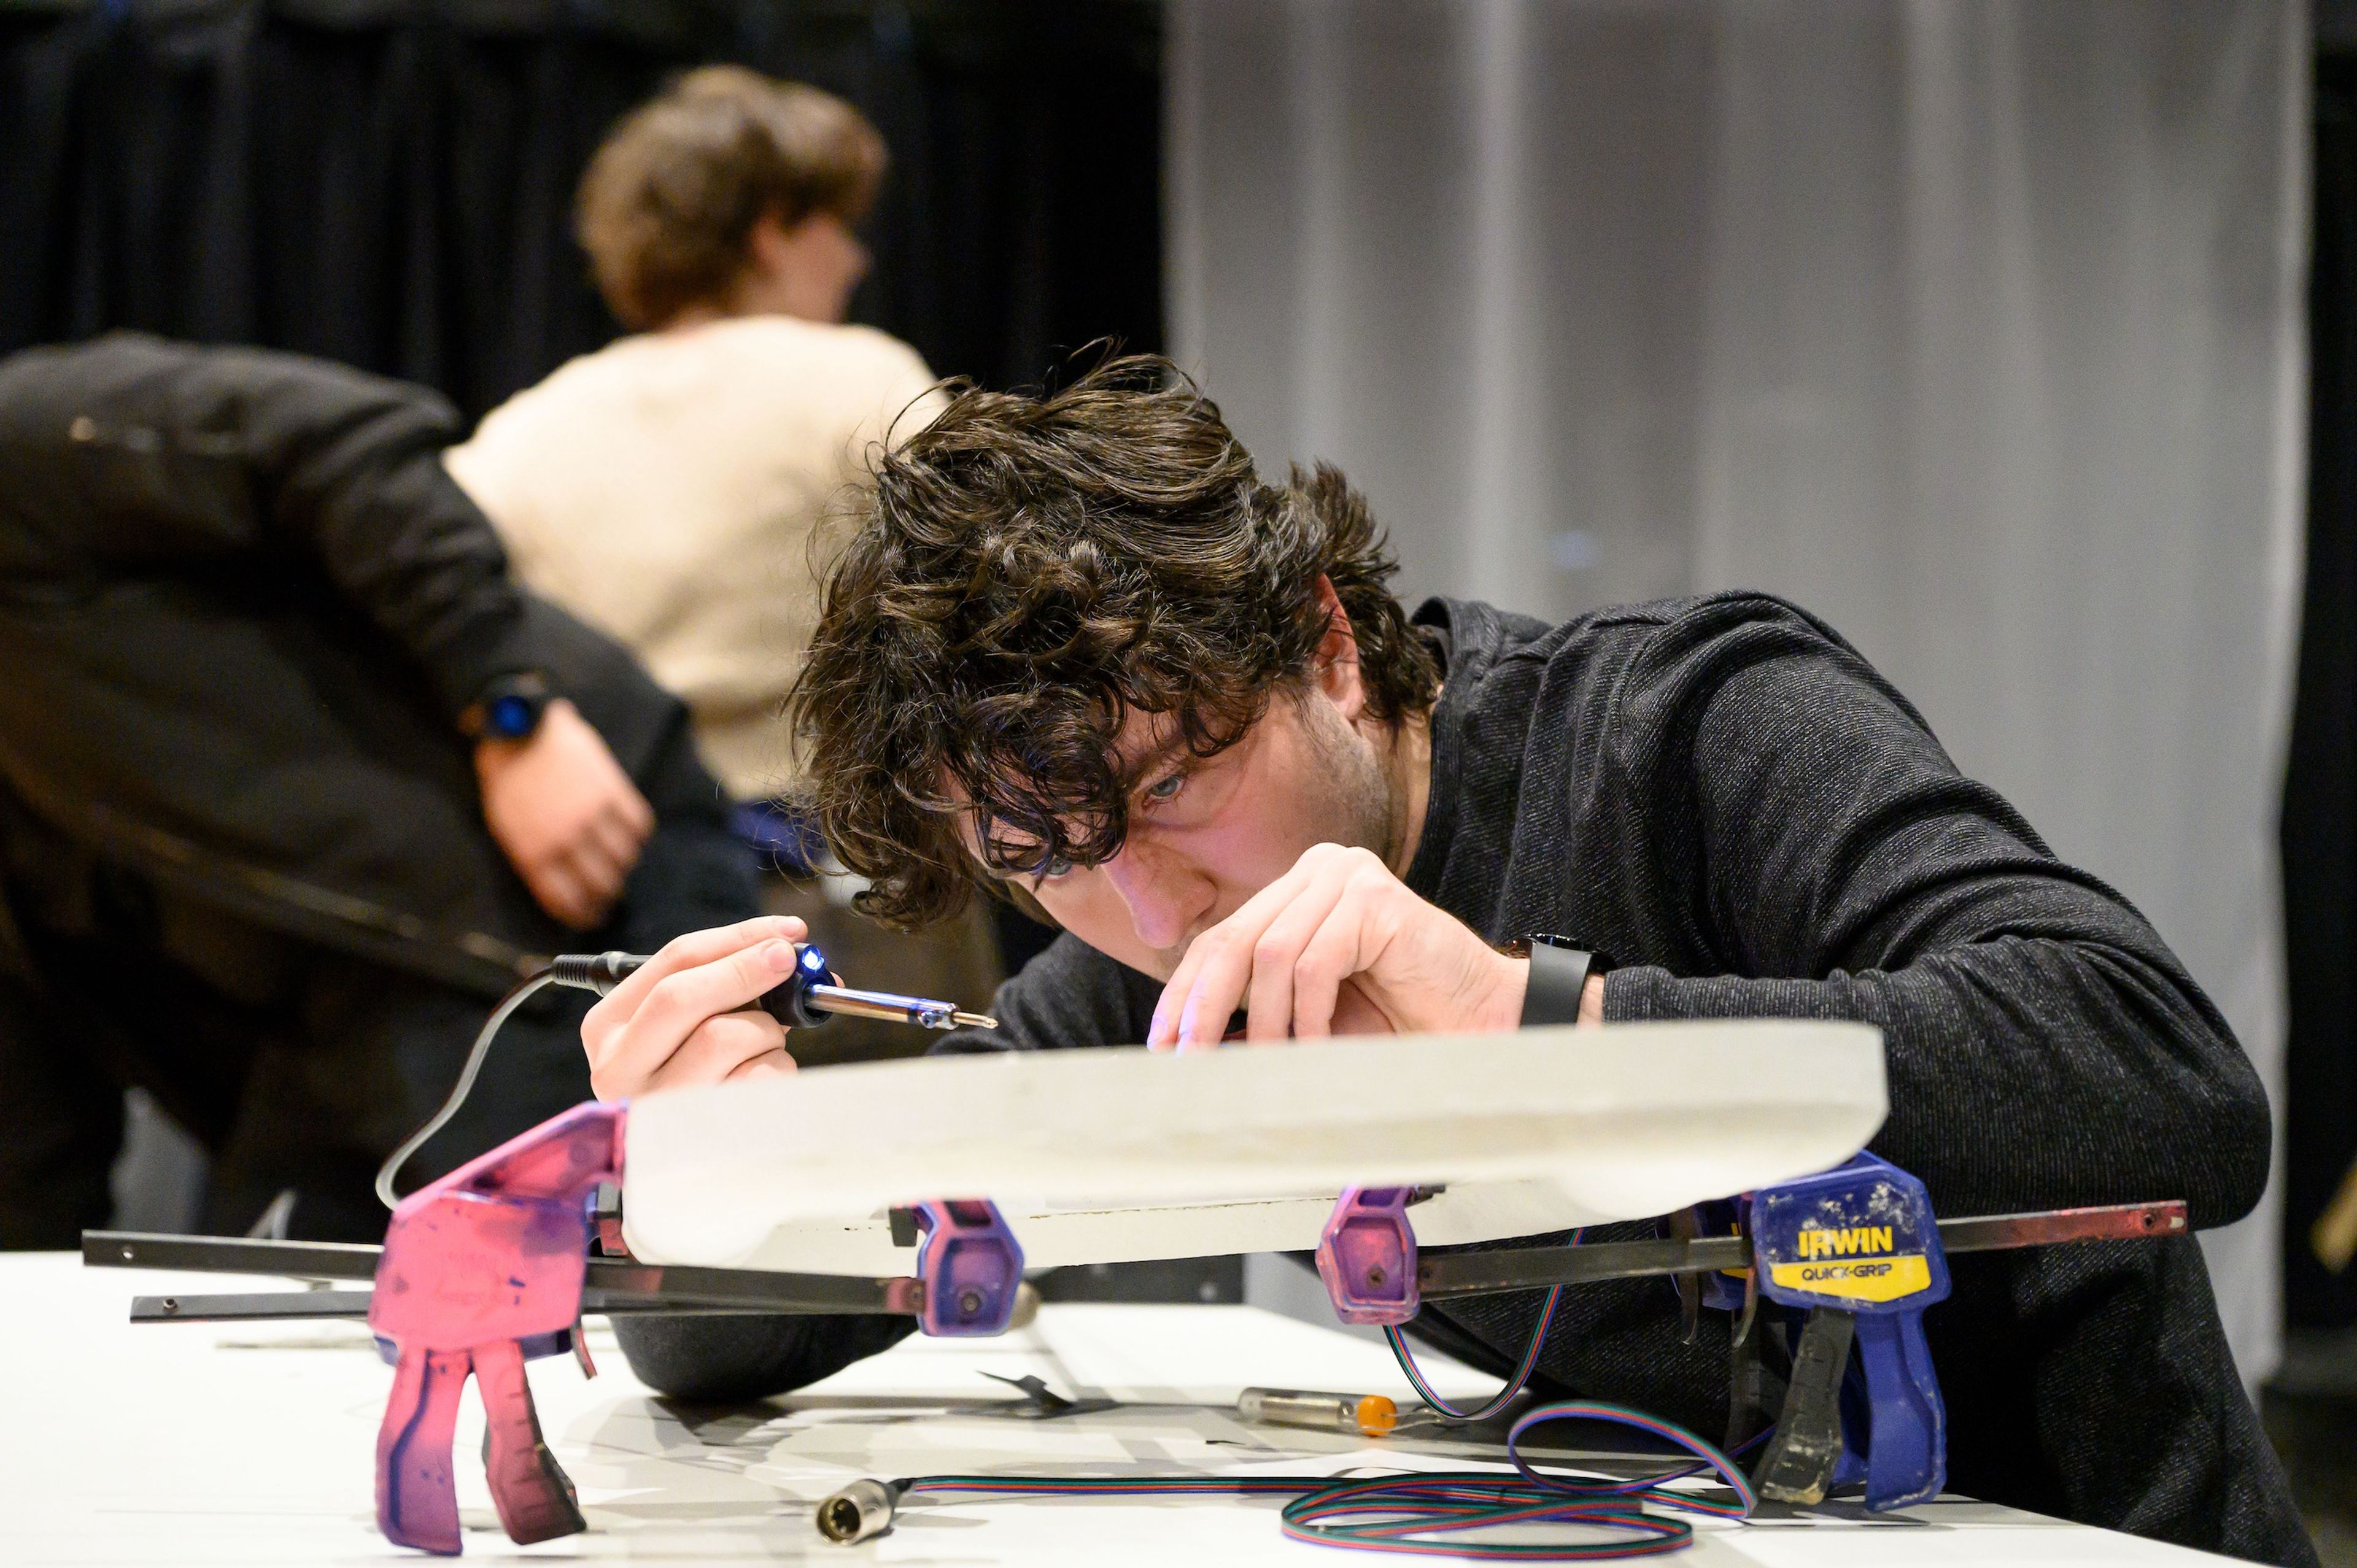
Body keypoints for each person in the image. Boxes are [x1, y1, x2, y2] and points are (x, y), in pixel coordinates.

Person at [571, 358, 2311, 1565]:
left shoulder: (1691, 729)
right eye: (1051, 858)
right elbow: (744, 1344)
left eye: (1180, 781)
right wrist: (716, 1180)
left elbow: (2168, 1081)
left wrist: (1541, 1021)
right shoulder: (1136, 960)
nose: (1158, 912)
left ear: (1326, 640)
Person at [0, 332, 757, 1245]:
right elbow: (31, 1117)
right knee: (229, 1328)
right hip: (340, 1007)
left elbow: (343, 441)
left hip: (558, 890)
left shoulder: (24, 443)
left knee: (527, 1289)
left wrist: (507, 710)